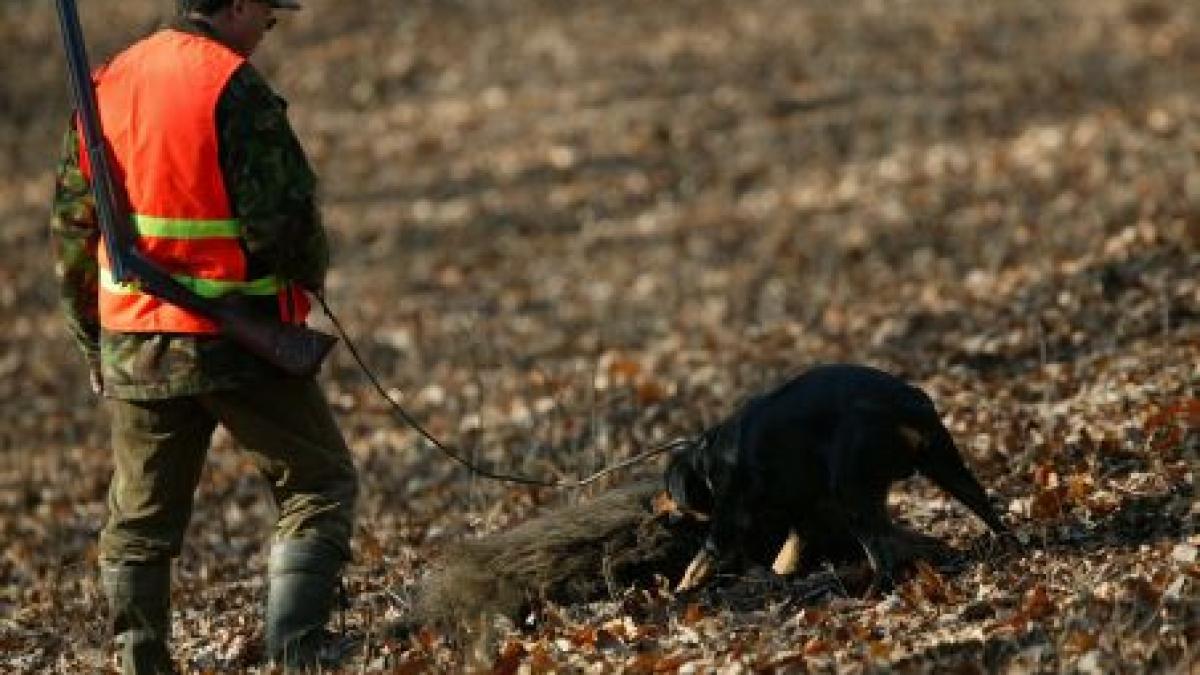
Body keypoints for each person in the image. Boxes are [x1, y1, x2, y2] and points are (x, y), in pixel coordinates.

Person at [49, 0, 358, 671]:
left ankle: (141, 662)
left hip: (135, 344)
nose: (267, 30)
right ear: (238, 4)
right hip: (236, 339)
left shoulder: (106, 81)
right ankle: (299, 650)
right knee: (318, 481)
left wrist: (90, 343)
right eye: (267, 17)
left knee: (138, 526)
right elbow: (283, 219)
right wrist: (311, 276)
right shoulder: (229, 84)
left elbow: (73, 231)